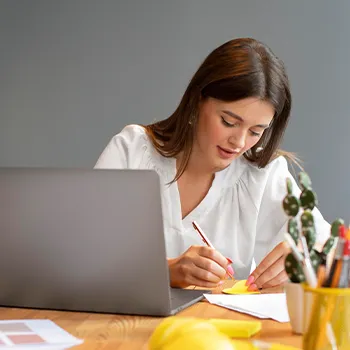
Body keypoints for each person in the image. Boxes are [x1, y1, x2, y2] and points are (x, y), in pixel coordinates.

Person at [94, 37, 330, 291]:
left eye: (256, 131)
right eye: (229, 122)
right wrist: (165, 270)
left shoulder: (264, 175)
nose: (239, 142)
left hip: (219, 327)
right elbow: (81, 254)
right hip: (119, 326)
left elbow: (329, 244)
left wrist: (310, 256)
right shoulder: (133, 150)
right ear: (197, 100)